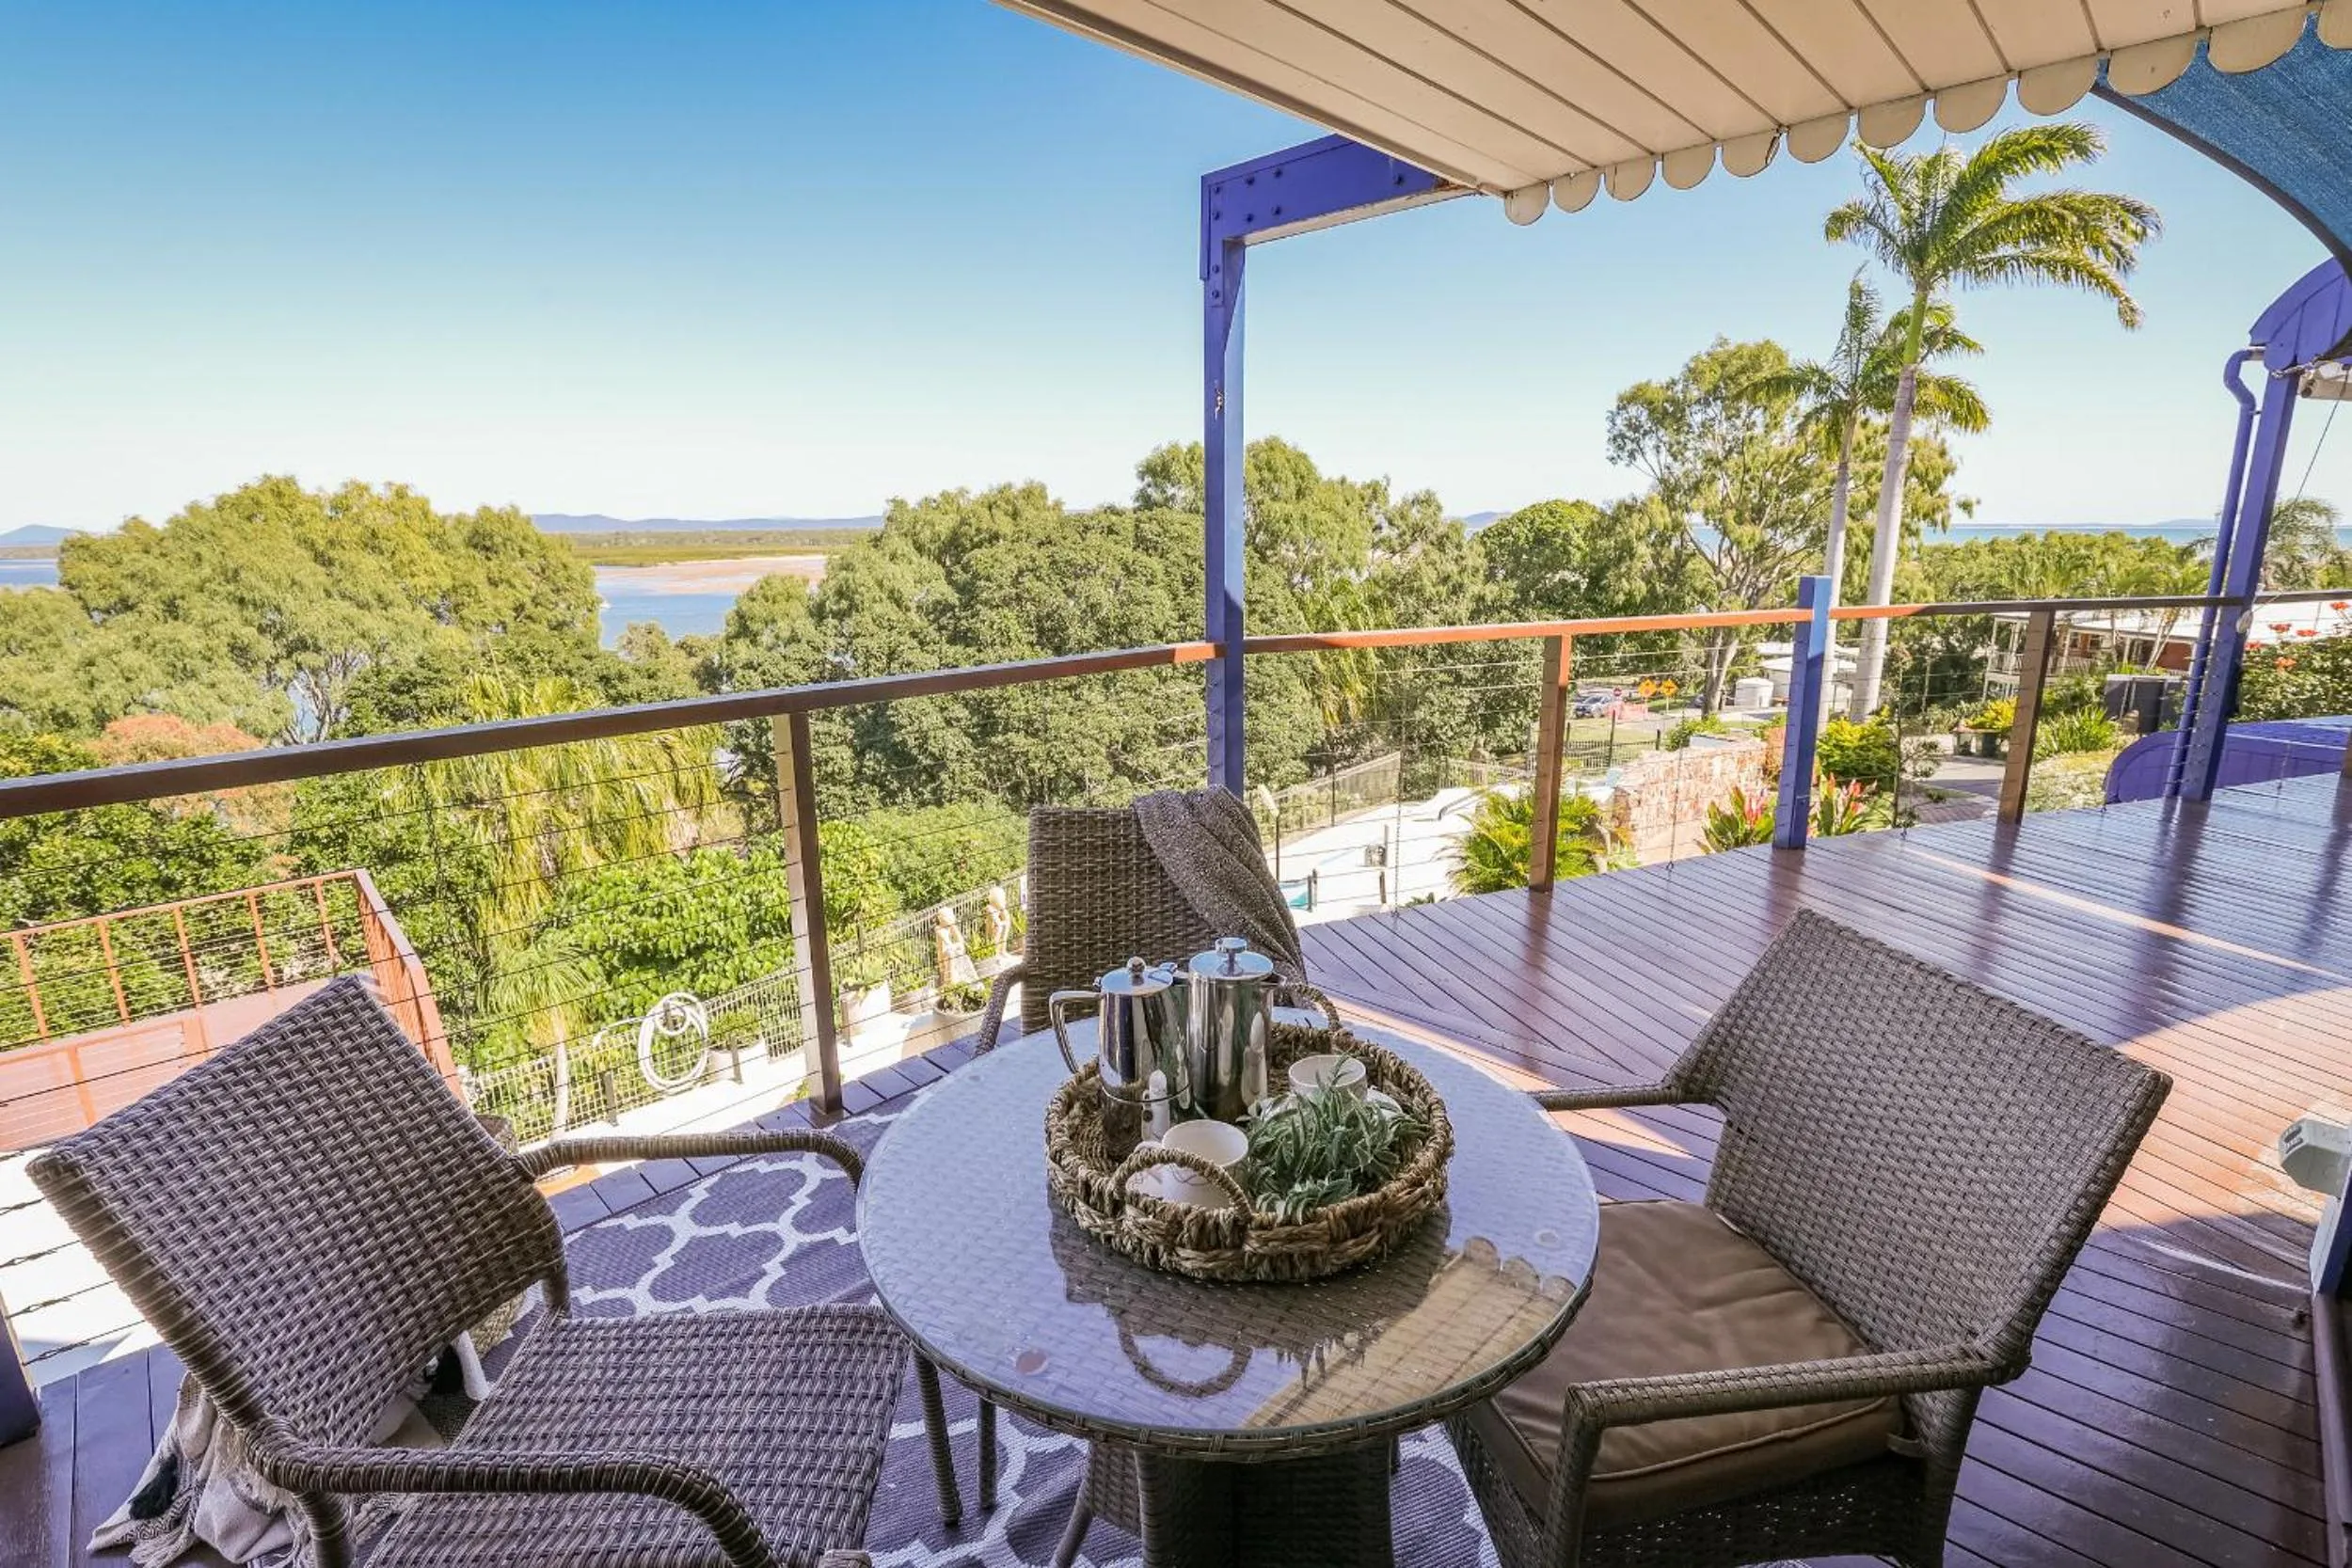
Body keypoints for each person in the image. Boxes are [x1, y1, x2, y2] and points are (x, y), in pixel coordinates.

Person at [933, 905, 978, 988]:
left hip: (950, 953)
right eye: (946, 917)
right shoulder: (939, 929)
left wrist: (953, 925)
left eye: (950, 916)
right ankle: (952, 983)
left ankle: (967, 980)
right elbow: (948, 943)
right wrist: (957, 946)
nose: (948, 919)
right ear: (940, 918)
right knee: (951, 953)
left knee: (960, 954)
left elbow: (961, 941)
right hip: (944, 957)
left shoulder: (950, 927)